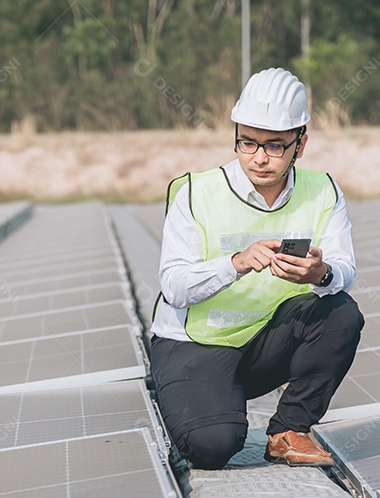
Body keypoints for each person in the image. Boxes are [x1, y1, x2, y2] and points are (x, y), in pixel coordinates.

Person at [149, 67, 363, 470]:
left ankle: (289, 430)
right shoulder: (195, 192)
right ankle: (190, 398)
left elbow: (344, 269)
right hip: (195, 345)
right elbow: (174, 287)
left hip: (265, 344)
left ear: (300, 144)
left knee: (341, 312)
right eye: (247, 142)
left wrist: (320, 274)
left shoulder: (323, 190)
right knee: (212, 447)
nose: (260, 157)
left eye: (275, 146)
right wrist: (236, 263)